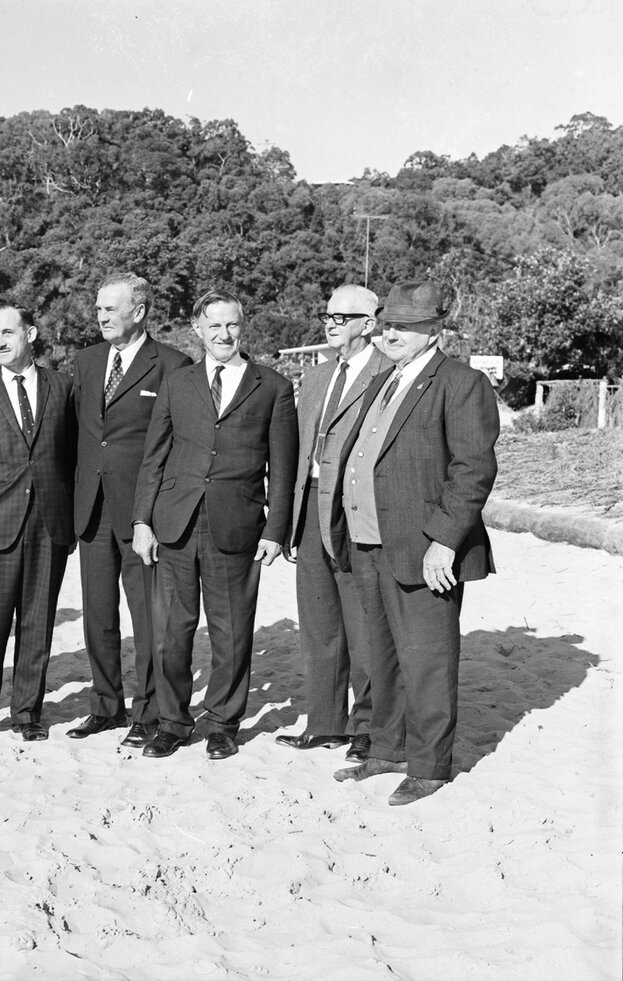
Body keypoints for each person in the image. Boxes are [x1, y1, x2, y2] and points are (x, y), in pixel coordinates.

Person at [330, 281, 499, 805]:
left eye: (406, 324)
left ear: (435, 330)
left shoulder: (460, 382)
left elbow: (473, 469)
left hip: (423, 548)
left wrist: (445, 542)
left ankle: (429, 765)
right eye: (389, 323)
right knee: (380, 655)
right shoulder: (388, 378)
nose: (392, 332)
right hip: (369, 542)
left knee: (427, 657)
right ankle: (388, 747)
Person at [132, 289, 298, 760]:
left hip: (238, 525)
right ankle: (172, 722)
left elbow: (282, 468)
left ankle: (223, 723)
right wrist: (142, 520)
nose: (224, 334)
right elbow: (155, 456)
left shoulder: (273, 387)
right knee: (170, 632)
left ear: (242, 328)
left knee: (231, 631)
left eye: (232, 325)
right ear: (198, 331)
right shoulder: (178, 383)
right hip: (175, 524)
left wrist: (275, 529)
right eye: (215, 326)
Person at [70, 273, 192, 747]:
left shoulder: (172, 365)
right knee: (98, 616)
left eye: (110, 308)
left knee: (148, 619)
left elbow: (176, 446)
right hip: (91, 510)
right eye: (97, 308)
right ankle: (106, 707)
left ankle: (149, 712)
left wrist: (154, 515)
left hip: (144, 516)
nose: (100, 316)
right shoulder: (85, 361)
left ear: (138, 312)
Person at [277, 285, 391, 762]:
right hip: (310, 514)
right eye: (327, 315)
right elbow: (298, 455)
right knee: (319, 622)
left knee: (364, 623)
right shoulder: (318, 376)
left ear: (369, 324)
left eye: (342, 317)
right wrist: (287, 522)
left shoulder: (388, 375)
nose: (331, 323)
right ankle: (325, 722)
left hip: (357, 513)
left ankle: (366, 726)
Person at [0, 306, 76, 750]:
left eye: (8, 332)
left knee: (37, 623)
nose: (0, 341)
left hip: (49, 523)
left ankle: (28, 713)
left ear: (30, 333)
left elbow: (70, 457)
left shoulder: (63, 387)